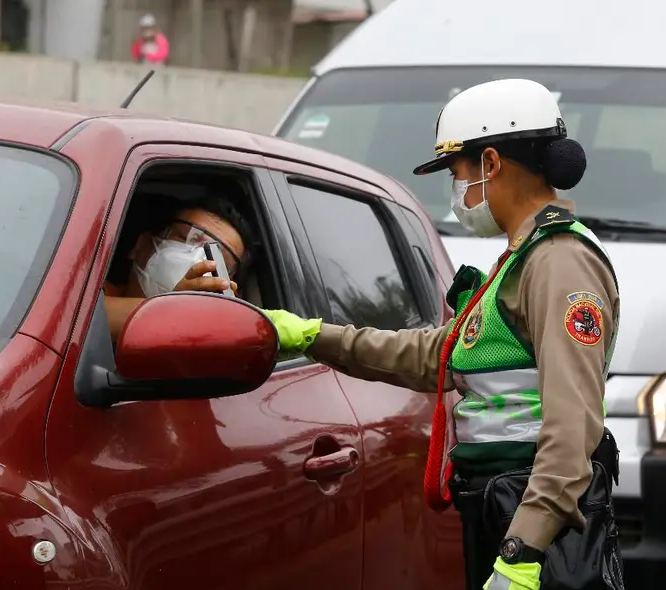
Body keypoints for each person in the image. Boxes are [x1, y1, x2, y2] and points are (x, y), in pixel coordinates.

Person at [261, 79, 623, 590]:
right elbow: (438, 354)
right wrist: (314, 336)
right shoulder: (521, 258)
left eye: (457, 172)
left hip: (538, 523)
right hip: (502, 505)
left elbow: (572, 425)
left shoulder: (559, 263)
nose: (456, 191)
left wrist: (524, 550)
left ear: (491, 164)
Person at [104, 195, 253, 341]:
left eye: (219, 260)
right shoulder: (94, 294)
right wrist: (169, 313)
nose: (198, 259)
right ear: (141, 245)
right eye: (186, 238)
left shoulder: (213, 342)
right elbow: (89, 317)